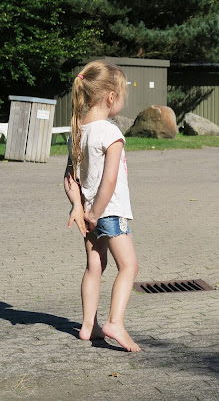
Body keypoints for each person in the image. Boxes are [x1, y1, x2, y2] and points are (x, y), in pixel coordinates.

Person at [63, 60, 141, 352]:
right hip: (107, 212)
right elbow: (109, 181)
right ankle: (114, 322)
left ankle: (88, 325)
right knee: (129, 266)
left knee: (95, 265)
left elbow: (69, 179)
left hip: (87, 213)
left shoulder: (77, 132)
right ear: (110, 97)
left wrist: (78, 207)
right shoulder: (111, 133)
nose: (122, 101)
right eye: (122, 96)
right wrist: (96, 213)